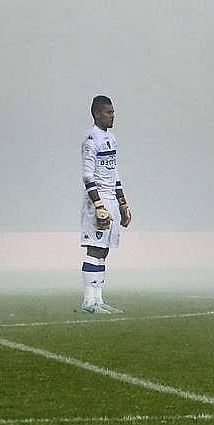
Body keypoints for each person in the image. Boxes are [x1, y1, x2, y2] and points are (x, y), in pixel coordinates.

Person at [78, 95, 132, 313]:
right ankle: (88, 302)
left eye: (113, 112)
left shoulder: (111, 138)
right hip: (97, 201)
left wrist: (122, 204)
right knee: (94, 249)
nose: (113, 116)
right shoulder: (91, 140)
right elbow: (88, 176)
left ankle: (98, 300)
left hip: (110, 199)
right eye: (108, 112)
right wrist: (99, 205)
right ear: (97, 114)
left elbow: (114, 172)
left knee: (104, 252)